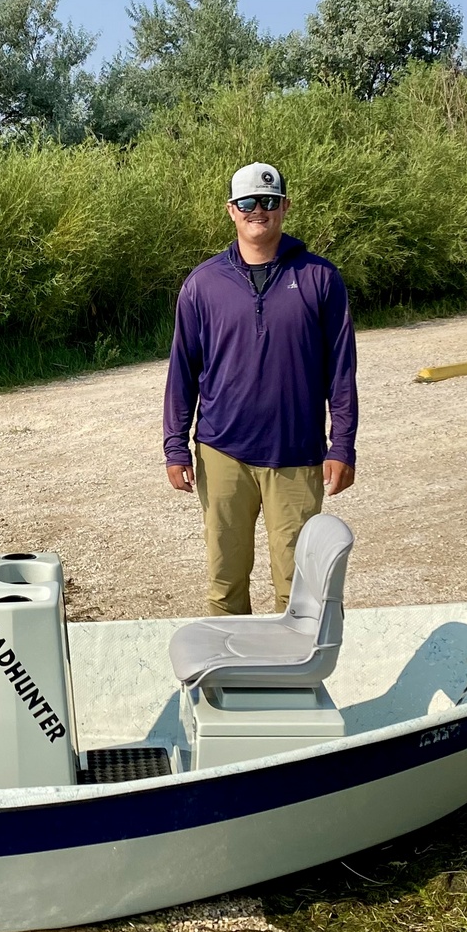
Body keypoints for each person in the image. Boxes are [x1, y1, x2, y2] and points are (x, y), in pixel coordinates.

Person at [163, 161, 358, 616]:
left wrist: (342, 445)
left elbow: (341, 370)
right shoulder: (202, 285)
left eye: (269, 202)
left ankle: (292, 681)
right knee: (224, 586)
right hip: (221, 452)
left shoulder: (320, 278)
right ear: (231, 210)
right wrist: (175, 448)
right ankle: (229, 681)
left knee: (299, 590)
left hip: (296, 456)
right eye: (248, 202)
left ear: (285, 207)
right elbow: (183, 372)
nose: (259, 210)